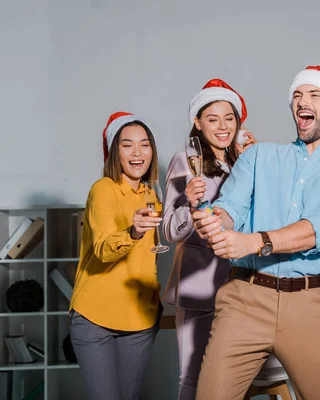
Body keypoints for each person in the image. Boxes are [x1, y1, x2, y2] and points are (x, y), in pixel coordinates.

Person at [192, 65, 320, 400]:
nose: (301, 101)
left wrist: (253, 241)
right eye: (297, 95)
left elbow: (317, 230)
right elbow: (229, 209)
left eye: (314, 94)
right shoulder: (258, 156)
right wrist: (214, 221)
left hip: (307, 305)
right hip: (244, 300)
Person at [162, 78, 256, 400]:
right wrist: (188, 203)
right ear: (197, 123)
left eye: (229, 118)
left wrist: (256, 162)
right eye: (213, 119)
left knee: (231, 382)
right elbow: (168, 231)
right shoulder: (183, 161)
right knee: (192, 378)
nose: (222, 126)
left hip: (241, 287)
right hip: (200, 287)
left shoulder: (243, 161)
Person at [69, 111, 163, 400]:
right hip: (96, 318)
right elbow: (103, 249)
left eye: (145, 144)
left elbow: (151, 255)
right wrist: (133, 232)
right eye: (127, 145)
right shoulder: (103, 190)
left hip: (140, 320)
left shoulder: (151, 194)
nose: (138, 153)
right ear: (114, 152)